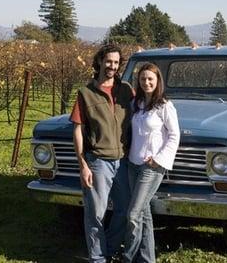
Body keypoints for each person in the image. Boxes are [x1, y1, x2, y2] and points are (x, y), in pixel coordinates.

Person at [70, 44, 134, 263]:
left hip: (123, 162)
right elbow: (77, 129)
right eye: (108, 61)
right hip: (98, 162)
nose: (112, 66)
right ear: (99, 61)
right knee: (95, 214)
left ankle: (110, 248)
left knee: (125, 210)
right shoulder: (86, 93)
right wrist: (83, 165)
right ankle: (98, 258)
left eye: (116, 63)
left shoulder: (126, 90)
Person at [123, 63, 180, 263]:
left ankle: (127, 257)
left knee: (133, 214)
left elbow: (174, 135)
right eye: (142, 79)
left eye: (150, 79)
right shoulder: (136, 104)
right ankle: (147, 259)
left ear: (157, 82)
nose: (146, 82)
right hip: (133, 164)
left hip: (152, 167)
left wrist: (158, 159)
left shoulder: (164, 106)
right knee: (144, 214)